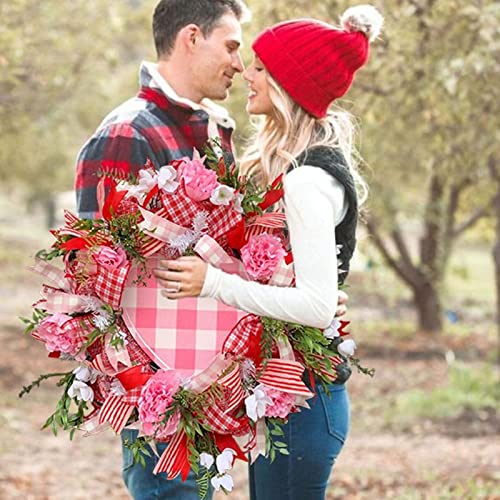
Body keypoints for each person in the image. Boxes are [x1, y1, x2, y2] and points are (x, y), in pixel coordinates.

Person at [75, 0, 349, 498]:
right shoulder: (127, 132)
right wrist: (148, 392)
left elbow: (236, 248)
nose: (240, 65)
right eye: (232, 47)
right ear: (191, 37)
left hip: (217, 384)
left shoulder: (217, 130)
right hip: (162, 388)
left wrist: (305, 290)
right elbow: (95, 277)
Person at [154, 5, 383, 500]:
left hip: (304, 401)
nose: (245, 73)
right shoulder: (296, 168)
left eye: (260, 67)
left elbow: (317, 305)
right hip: (286, 395)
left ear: (288, 83)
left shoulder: (306, 180)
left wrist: (213, 283)